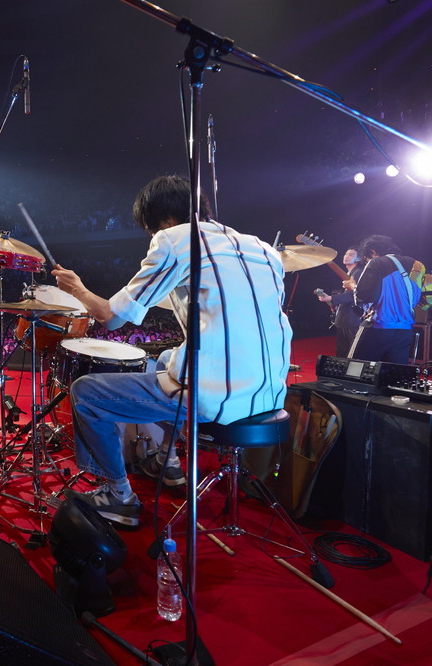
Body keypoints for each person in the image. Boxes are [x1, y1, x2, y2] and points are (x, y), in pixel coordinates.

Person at [51, 175, 292, 526]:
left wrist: (79, 290)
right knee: (163, 360)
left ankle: (118, 495)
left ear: (164, 220)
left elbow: (111, 317)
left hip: (218, 399)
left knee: (86, 392)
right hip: (269, 393)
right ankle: (168, 460)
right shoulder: (263, 249)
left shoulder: (174, 239)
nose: (153, 236)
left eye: (151, 229)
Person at [348, 235, 423, 364]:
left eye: (367, 259)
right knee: (393, 372)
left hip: (378, 326)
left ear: (372, 252)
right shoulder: (416, 264)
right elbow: (431, 293)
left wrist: (353, 286)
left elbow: (363, 295)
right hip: (405, 330)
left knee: (355, 368)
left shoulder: (376, 262)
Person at [316, 246, 365, 358]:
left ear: (358, 259)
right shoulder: (351, 273)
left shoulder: (358, 272)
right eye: (346, 254)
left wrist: (331, 298)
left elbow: (353, 295)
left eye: (351, 255)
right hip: (346, 319)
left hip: (352, 319)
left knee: (350, 353)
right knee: (343, 352)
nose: (346, 256)